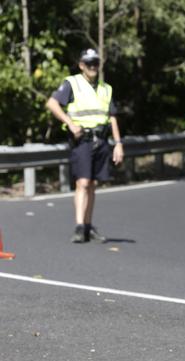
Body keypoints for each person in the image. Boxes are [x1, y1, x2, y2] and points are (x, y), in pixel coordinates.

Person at [45, 48, 124, 243]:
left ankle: (88, 226)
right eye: (89, 63)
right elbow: (52, 103)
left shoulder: (106, 88)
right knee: (83, 182)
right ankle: (79, 226)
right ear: (81, 65)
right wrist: (70, 123)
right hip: (82, 140)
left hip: (101, 140)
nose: (93, 67)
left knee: (93, 184)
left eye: (95, 63)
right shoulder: (72, 83)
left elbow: (112, 117)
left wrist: (118, 144)